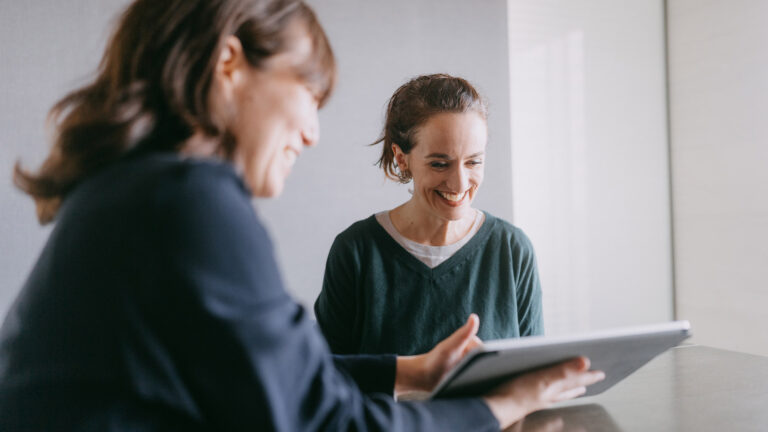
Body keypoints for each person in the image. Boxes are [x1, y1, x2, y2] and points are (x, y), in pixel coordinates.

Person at [0, 1, 604, 430]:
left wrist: (412, 371)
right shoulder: (189, 202)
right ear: (229, 65)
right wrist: (500, 406)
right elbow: (319, 419)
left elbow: (281, 376)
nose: (312, 133)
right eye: (309, 96)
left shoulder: (142, 189)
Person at [315, 74, 544, 356]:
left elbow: (533, 375)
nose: (460, 184)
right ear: (402, 159)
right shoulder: (357, 251)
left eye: (474, 162)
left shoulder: (512, 249)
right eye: (439, 164)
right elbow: (325, 378)